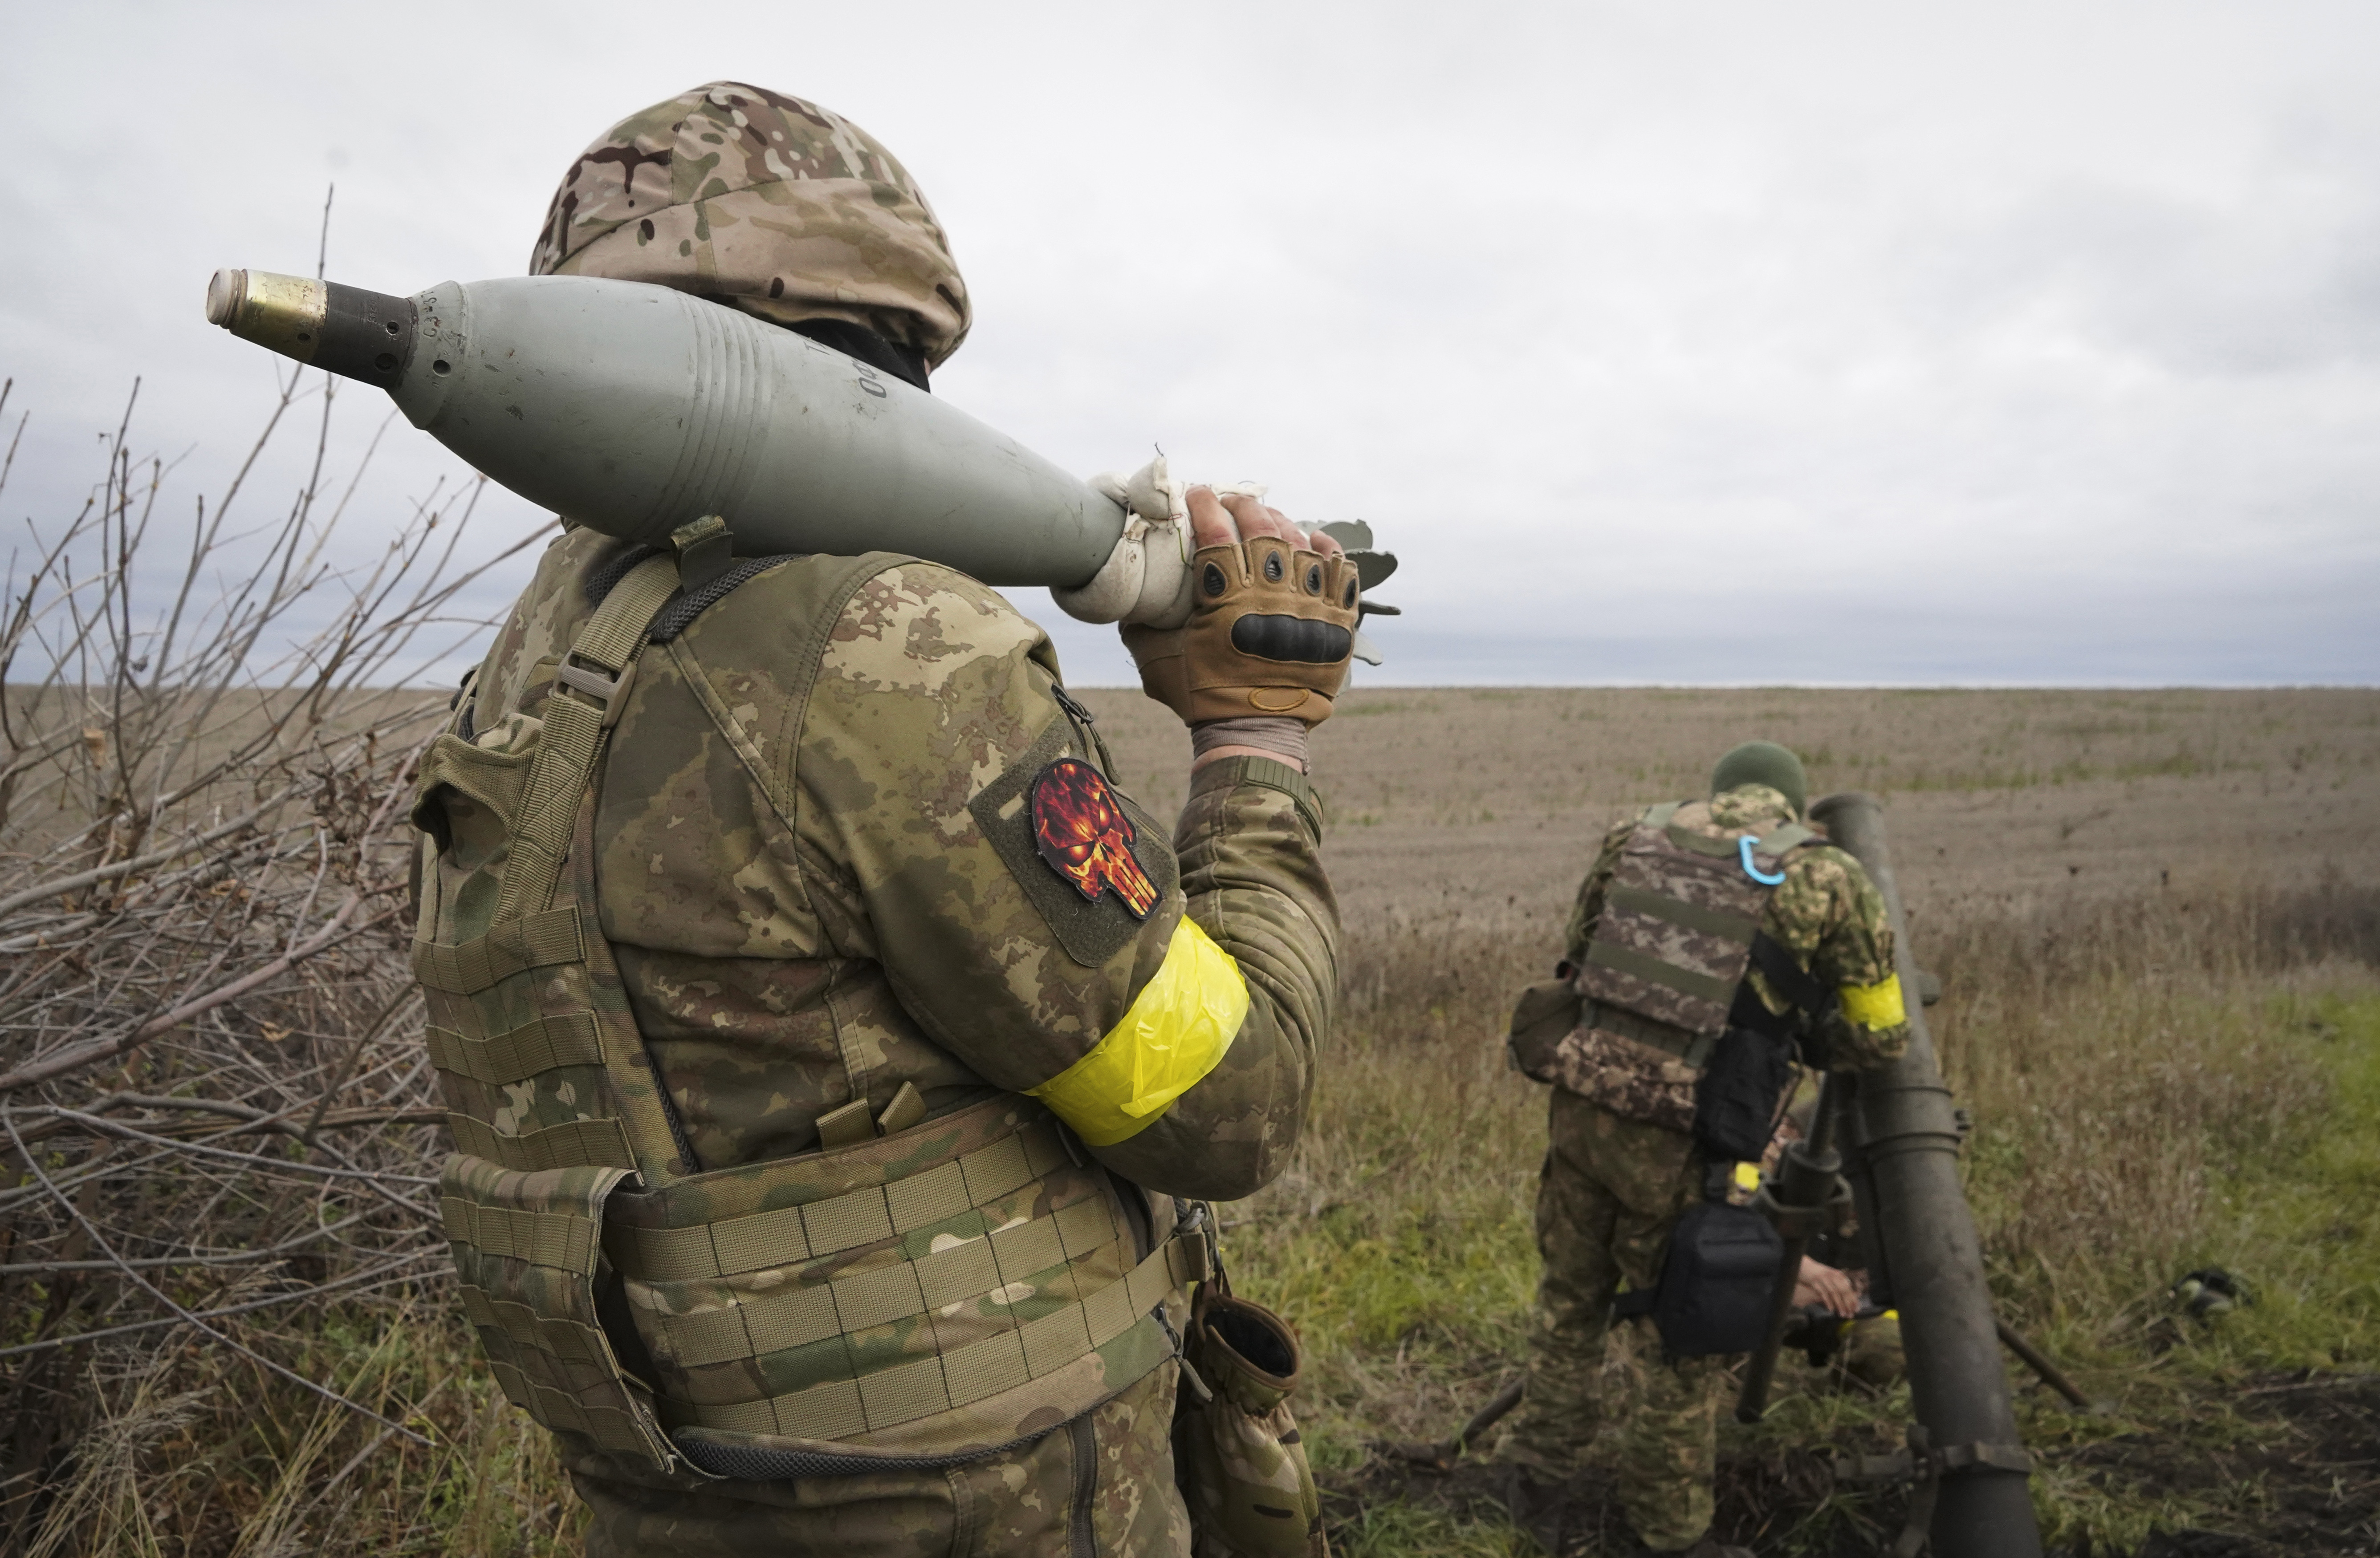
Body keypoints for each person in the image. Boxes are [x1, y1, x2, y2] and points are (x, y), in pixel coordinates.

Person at [409, 82, 1355, 1556]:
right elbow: (1229, 1106)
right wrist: (1251, 743)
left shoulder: (546, 647)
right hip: (967, 1500)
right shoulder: (875, 644)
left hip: (686, 1479)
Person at [1495, 741, 1912, 1558]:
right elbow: (1879, 1035)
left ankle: (1534, 1489)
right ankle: (1670, 1532)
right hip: (1690, 1140)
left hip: (1582, 1109)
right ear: (1789, 807)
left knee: (1567, 1307)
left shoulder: (1632, 837)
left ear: (1715, 795)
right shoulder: (1828, 876)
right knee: (1684, 1341)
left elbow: (1580, 956)